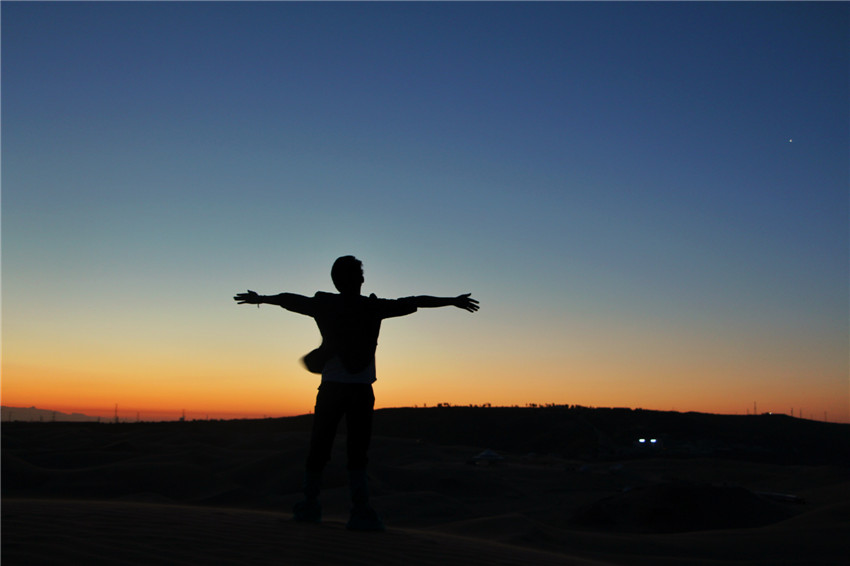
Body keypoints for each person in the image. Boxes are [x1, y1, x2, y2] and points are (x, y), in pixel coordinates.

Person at [234, 256, 479, 530]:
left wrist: (262, 298)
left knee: (321, 447)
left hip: (332, 389)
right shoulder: (371, 307)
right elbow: (416, 300)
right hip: (360, 390)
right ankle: (359, 511)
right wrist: (452, 301)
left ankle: (311, 506)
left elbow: (290, 300)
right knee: (356, 451)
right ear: (357, 279)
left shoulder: (326, 304)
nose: (362, 278)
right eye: (360, 274)